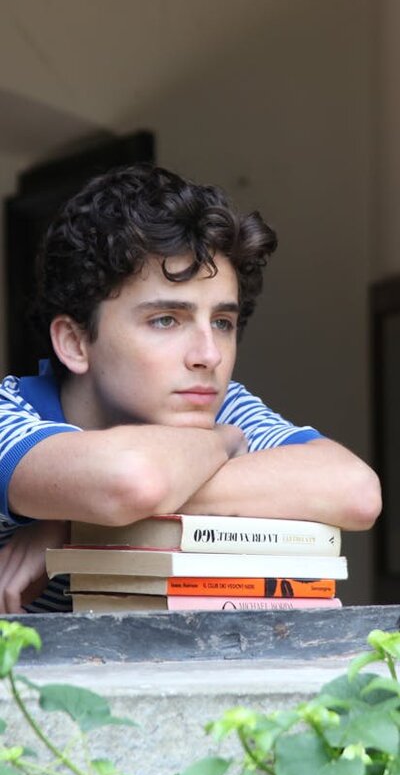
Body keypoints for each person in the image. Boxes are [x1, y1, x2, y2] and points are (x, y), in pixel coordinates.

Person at [0, 164, 381, 613]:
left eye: (222, 322)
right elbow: (133, 480)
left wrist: (73, 520)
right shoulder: (11, 416)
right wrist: (222, 440)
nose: (209, 355)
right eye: (166, 320)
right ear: (75, 342)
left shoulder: (212, 404)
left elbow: (356, 491)